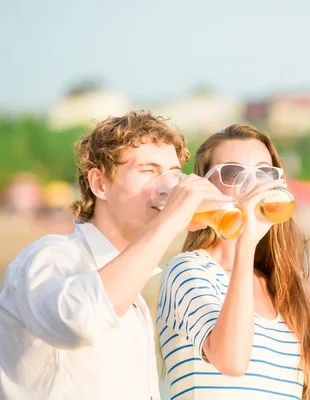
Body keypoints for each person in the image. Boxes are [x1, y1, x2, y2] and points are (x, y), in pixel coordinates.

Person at [0, 111, 230, 400]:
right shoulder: (53, 256)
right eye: (148, 170)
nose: (171, 185)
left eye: (174, 172)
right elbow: (81, 321)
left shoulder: (133, 294)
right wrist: (170, 221)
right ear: (99, 184)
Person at [157, 124, 310, 400]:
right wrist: (246, 242)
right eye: (232, 173)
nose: (252, 183)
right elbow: (232, 361)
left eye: (264, 172)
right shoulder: (188, 270)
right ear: (205, 187)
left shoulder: (284, 288)